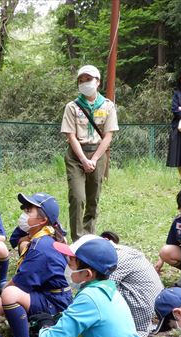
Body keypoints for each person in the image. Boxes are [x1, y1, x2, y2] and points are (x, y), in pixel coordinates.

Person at [0, 193, 71, 337]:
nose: (24, 215)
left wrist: (4, 294)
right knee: (7, 298)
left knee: (8, 297)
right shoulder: (44, 238)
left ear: (42, 221)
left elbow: (19, 283)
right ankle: (33, 321)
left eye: (29, 211)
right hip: (56, 294)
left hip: (56, 304)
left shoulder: (40, 247)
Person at [61, 64, 119, 240]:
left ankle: (88, 235)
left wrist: (93, 159)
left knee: (93, 199)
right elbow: (70, 136)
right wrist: (84, 160)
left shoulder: (108, 106)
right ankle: (78, 238)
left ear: (97, 82)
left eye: (88, 79)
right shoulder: (72, 107)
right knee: (78, 198)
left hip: (98, 154)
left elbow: (108, 136)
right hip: (76, 155)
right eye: (81, 80)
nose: (84, 83)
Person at [99, 231, 164, 337]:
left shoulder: (114, 259)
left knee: (100, 288)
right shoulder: (124, 250)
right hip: (155, 304)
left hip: (141, 312)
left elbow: (104, 289)